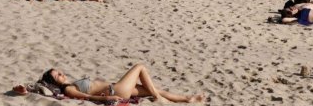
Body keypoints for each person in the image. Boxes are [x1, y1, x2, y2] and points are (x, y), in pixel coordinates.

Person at [36, 64, 204, 103]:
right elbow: (86, 96)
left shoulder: (71, 84)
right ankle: (157, 98)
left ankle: (186, 99)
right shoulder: (70, 88)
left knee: (151, 89)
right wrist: (108, 99)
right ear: (55, 81)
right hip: (116, 90)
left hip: (118, 88)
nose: (61, 73)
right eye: (57, 75)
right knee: (139, 67)